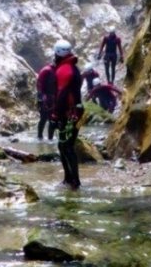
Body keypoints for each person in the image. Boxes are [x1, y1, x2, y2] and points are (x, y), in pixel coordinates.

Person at [51, 39, 84, 189]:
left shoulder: (64, 70)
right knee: (63, 145)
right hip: (75, 110)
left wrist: (55, 115)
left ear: (57, 53)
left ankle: (74, 182)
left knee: (67, 146)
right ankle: (68, 178)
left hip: (69, 113)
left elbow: (61, 94)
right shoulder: (72, 67)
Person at [36, 62, 56, 140]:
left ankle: (50, 139)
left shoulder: (56, 70)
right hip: (45, 97)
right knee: (43, 118)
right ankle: (40, 136)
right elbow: (39, 83)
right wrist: (41, 97)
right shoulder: (46, 70)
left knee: (52, 119)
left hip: (53, 98)